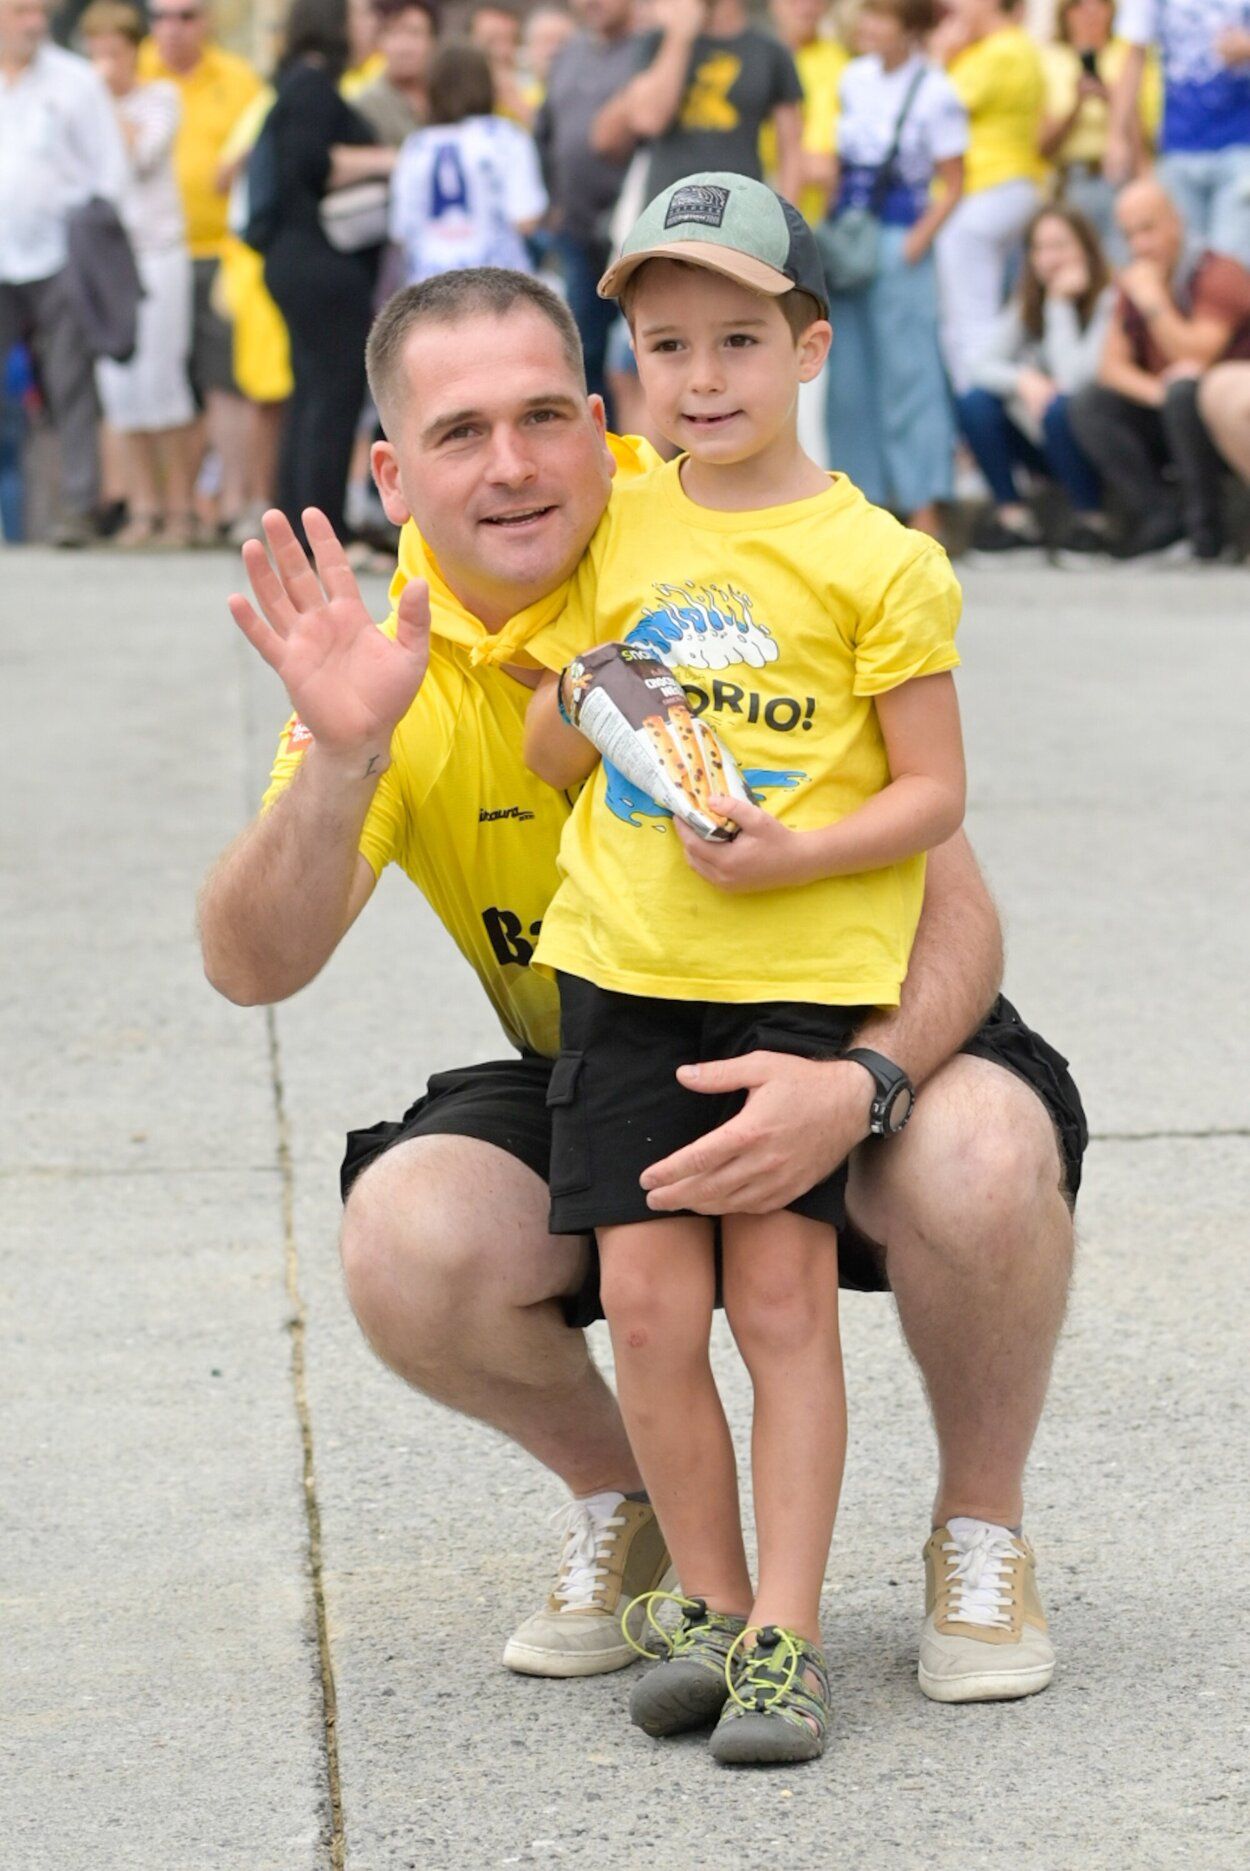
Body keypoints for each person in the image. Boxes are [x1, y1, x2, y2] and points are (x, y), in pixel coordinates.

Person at [201, 265, 1085, 1711]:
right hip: (608, 1054)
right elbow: (252, 964)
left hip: (840, 1034)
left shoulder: (719, 541)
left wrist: (855, 1084)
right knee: (405, 1235)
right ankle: (647, 1518)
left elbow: (960, 919)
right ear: (391, 470)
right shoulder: (387, 665)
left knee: (983, 1152)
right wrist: (348, 751)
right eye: (460, 431)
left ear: (602, 420)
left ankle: (978, 1529)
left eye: (545, 416)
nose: (510, 464)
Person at [485, 175, 965, 1764]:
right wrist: (595, 690)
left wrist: (790, 851)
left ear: (810, 346)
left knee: (775, 1301)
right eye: (664, 341)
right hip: (625, 964)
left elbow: (928, 795)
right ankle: (701, 1596)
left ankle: (788, 1632)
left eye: (739, 339)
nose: (701, 376)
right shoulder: (621, 518)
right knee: (642, 1297)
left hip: (792, 976)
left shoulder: (878, 560)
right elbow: (558, 740)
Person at [822, 0, 967, 535]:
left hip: (901, 232)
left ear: (909, 26)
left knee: (911, 373)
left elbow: (954, 181)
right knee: (848, 376)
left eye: (880, 16)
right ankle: (864, 506)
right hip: (850, 233)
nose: (867, 26)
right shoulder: (853, 79)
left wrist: (917, 240)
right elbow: (841, 161)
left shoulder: (936, 90)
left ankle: (924, 504)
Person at [262, 0, 392, 549]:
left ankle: (296, 523)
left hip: (295, 258)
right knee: (334, 395)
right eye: (364, 15)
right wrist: (391, 159)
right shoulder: (313, 85)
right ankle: (323, 531)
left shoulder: (297, 83)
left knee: (312, 392)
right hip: (320, 259)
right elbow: (311, 163)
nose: (373, 27)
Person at [1068, 175, 1250, 559]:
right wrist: (1158, 394)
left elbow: (1198, 354)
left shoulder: (1219, 272)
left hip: (1219, 423)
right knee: (1089, 403)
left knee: (1185, 393)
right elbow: (1110, 367)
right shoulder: (1136, 279)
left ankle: (1207, 536)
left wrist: (1154, 302)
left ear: (1176, 220)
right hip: (1169, 410)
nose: (1140, 245)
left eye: (1148, 229)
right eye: (1129, 235)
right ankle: (1161, 518)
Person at [0, 0, 126, 545]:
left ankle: (78, 508)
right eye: (20, 9)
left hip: (59, 256)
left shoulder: (74, 81)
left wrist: (90, 232)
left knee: (71, 382)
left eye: (38, 9)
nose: (34, 19)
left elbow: (110, 167)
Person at [137, 0, 261, 539]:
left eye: (186, 15)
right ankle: (171, 507)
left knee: (224, 382)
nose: (174, 27)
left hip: (217, 249)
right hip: (148, 251)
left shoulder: (237, 79)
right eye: (162, 16)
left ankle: (231, 500)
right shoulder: (133, 69)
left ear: (206, 22)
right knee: (156, 383)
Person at [80, 1, 198, 549]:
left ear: (133, 51)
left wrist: (102, 101)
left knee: (162, 382)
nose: (105, 62)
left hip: (157, 253)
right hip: (107, 259)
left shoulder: (159, 98)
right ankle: (143, 509)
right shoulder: (79, 109)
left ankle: (180, 510)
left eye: (115, 51)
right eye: (96, 52)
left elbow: (139, 156)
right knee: (120, 387)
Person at [959, 204, 1113, 556]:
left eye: (1059, 246)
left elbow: (1074, 381)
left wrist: (1060, 305)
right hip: (1047, 443)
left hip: (1094, 443)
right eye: (1038, 248)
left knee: (1059, 408)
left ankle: (1092, 522)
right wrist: (1024, 379)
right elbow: (980, 366)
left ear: (1086, 249)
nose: (1047, 258)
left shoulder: (1109, 299)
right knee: (975, 403)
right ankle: (1015, 521)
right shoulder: (1029, 300)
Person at [931, 0, 1047, 394]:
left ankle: (982, 412)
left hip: (988, 192)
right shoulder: (999, 49)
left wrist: (939, 58)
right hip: (1001, 191)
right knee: (984, 320)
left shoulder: (1004, 49)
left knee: (970, 323)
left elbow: (935, 107)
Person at [591, 0, 805, 209]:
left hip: (739, 214)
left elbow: (791, 151)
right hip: (666, 210)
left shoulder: (771, 52)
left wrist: (785, 223)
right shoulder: (656, 42)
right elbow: (647, 119)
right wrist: (679, 36)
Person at [534, 0, 641, 407]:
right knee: (582, 351)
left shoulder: (647, 50)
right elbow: (544, 135)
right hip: (576, 232)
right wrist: (552, 201)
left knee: (636, 354)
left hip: (634, 232)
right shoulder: (569, 55)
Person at [389, 42, 548, 284]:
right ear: (486, 83)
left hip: (429, 290)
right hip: (500, 288)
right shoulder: (506, 136)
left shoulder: (416, 145)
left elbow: (401, 231)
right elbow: (526, 219)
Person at [1108, 0, 1250, 265]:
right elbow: (1133, 58)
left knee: (1233, 265)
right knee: (1183, 265)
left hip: (1242, 144)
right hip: (1179, 148)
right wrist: (1116, 136)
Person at [1039, 0, 1158, 260]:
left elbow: (1149, 136)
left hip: (1122, 179)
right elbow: (1041, 146)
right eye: (1079, 6)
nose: (1090, 13)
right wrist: (1076, 106)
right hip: (1073, 180)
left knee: (1124, 262)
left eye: (1099, 4)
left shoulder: (1131, 57)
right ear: (1065, 13)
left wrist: (1115, 101)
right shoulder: (1049, 60)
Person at [765, 0, 849, 225]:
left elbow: (822, 166)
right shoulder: (754, 56)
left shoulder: (841, 64)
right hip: (758, 207)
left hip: (818, 218)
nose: (806, 7)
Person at [354, 0, 437, 148]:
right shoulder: (364, 107)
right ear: (379, 41)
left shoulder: (450, 96)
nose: (404, 47)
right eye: (393, 33)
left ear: (433, 40)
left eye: (414, 32)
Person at [468, 0, 529, 125]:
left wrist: (511, 97)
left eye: (510, 40)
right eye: (491, 41)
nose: (502, 51)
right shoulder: (458, 88)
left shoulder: (533, 83)